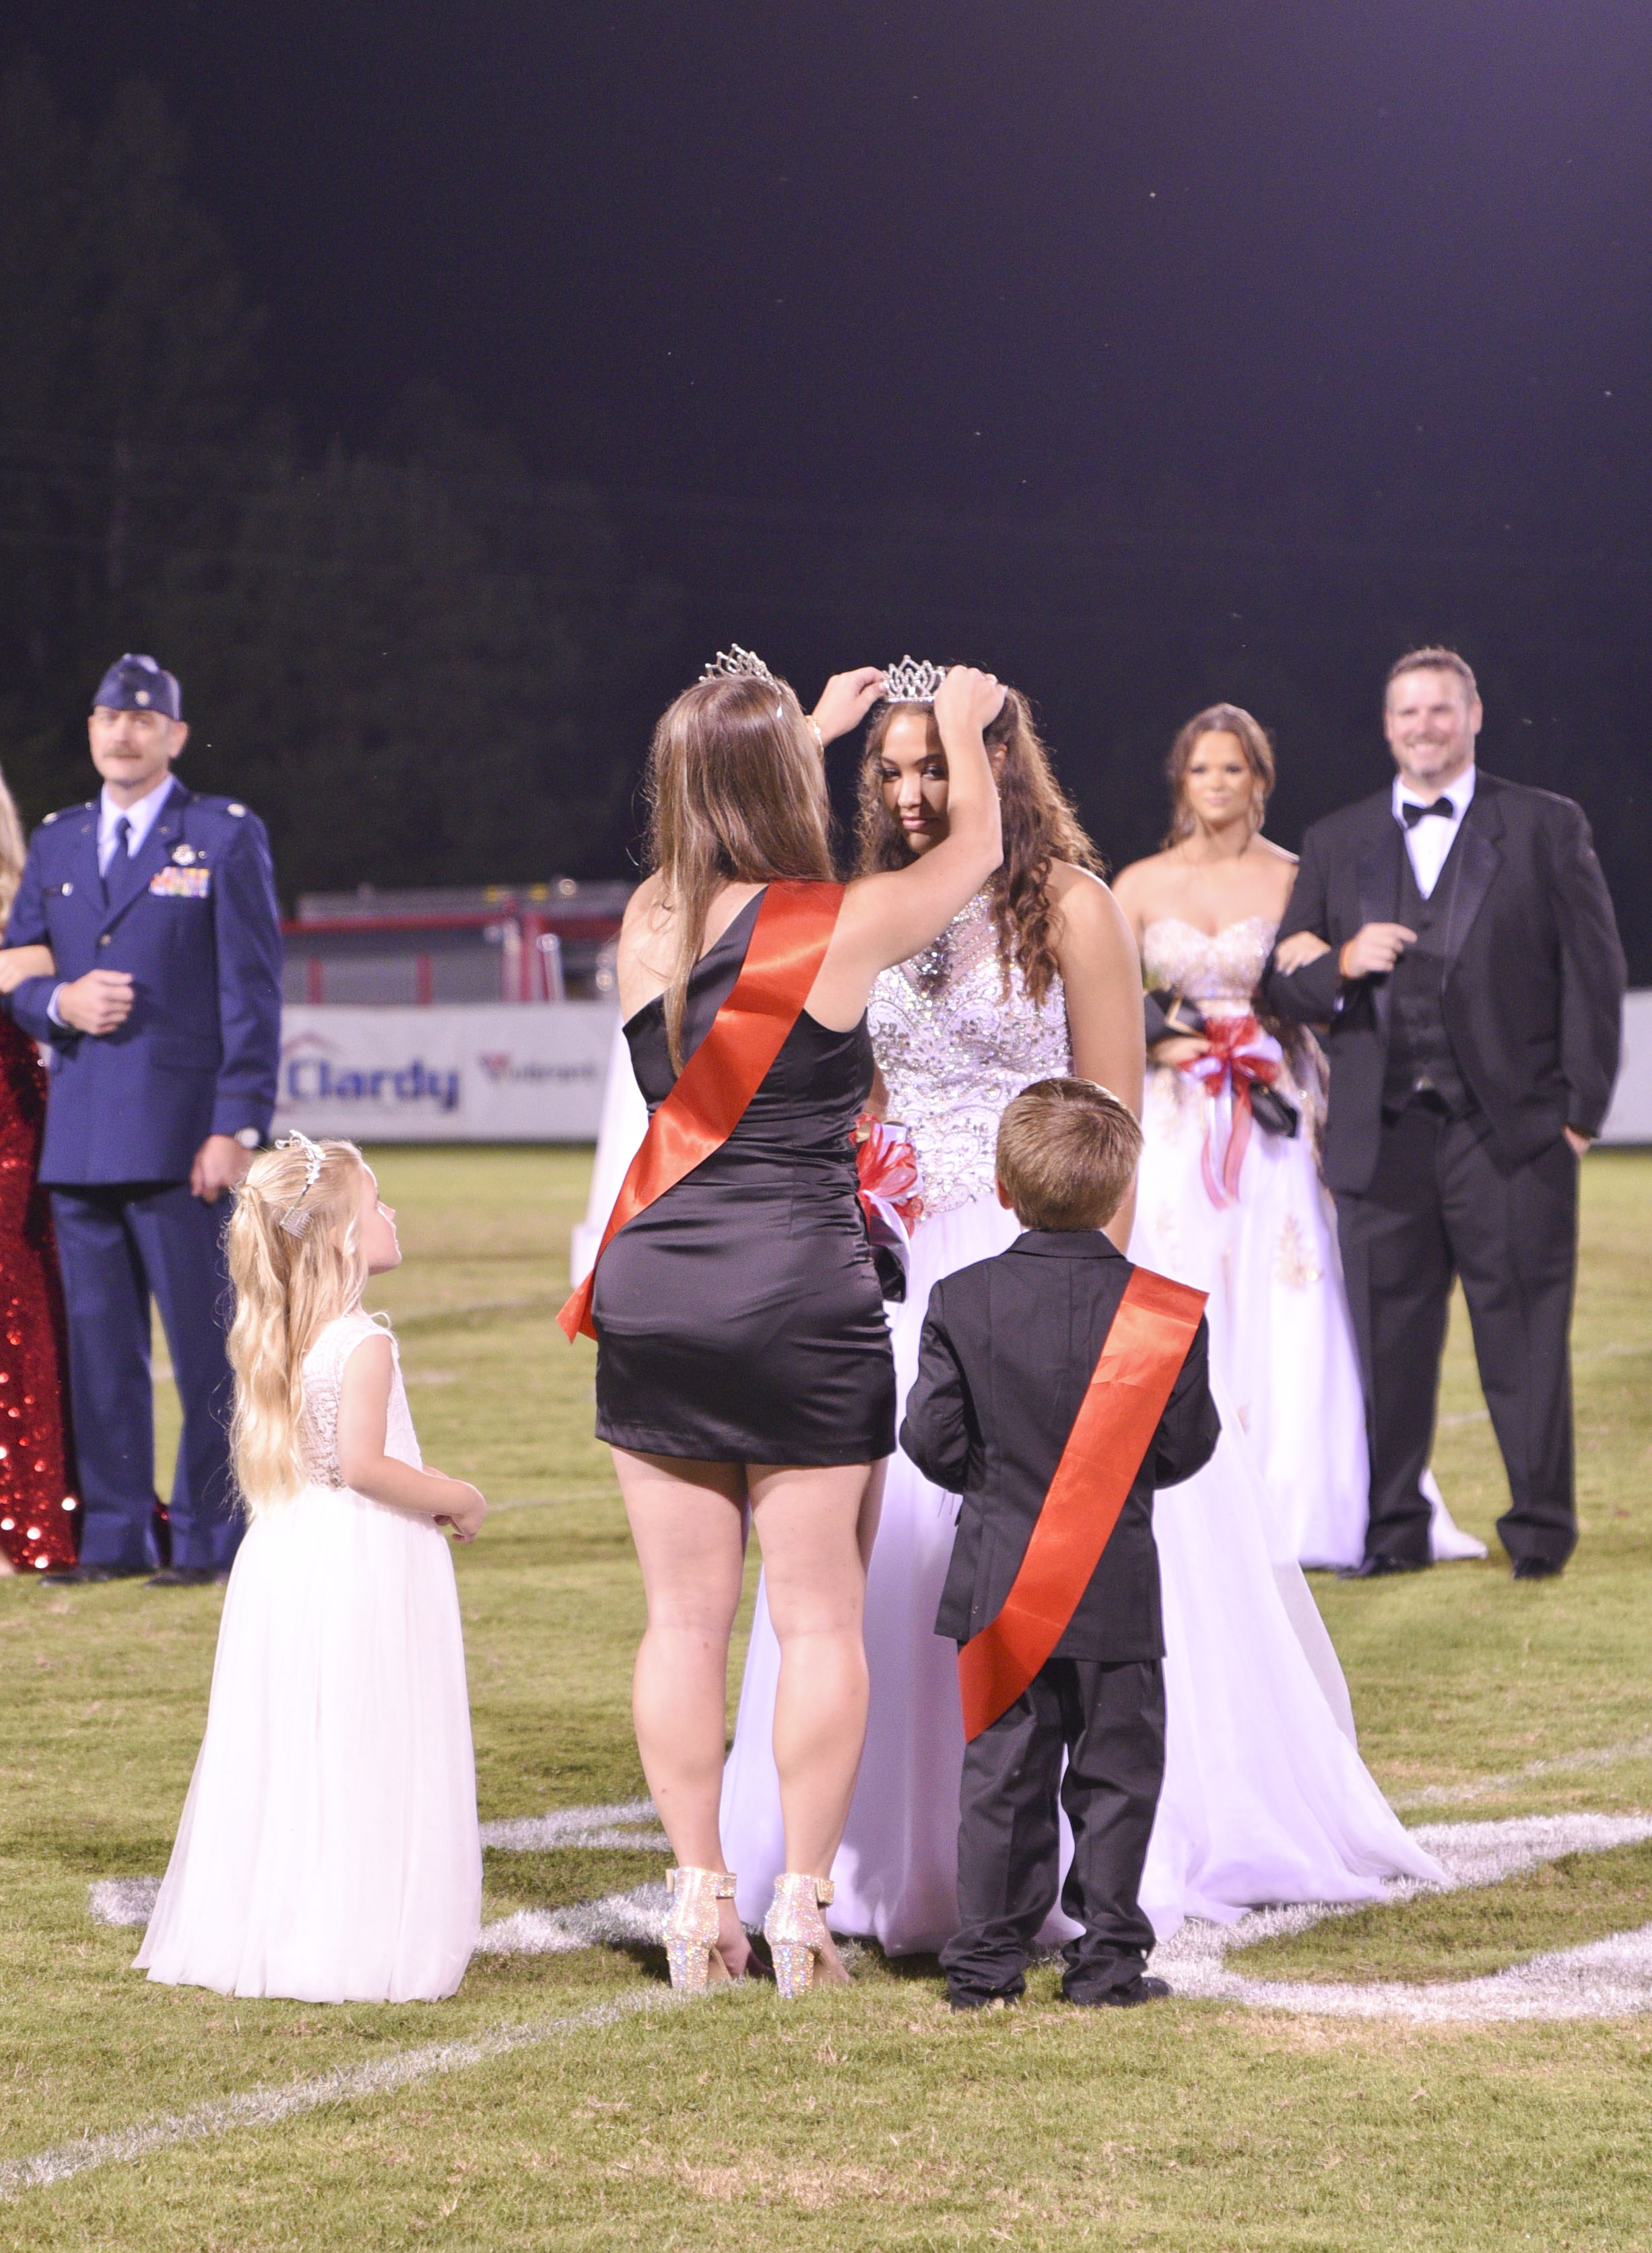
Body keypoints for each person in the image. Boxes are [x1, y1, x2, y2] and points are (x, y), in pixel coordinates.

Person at [720, 661, 1445, 1955]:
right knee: (874, 1567)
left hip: (1037, 1252)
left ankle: (1079, 1857)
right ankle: (877, 1850)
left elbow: (1109, 1118)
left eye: (933, 763)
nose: (908, 793)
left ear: (996, 762)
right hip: (890, 1273)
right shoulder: (870, 912)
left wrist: (1081, 1319)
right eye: (886, 772)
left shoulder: (1072, 907)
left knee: (1050, 1552)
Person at [581, 647, 1003, 1996]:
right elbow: (970, 859)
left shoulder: (646, 916)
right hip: (800, 1296)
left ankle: (696, 1901)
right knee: (817, 1622)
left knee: (677, 1623)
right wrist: (967, 726)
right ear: (786, 781)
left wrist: (792, 733)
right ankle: (801, 1910)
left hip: (656, 1288)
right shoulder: (841, 921)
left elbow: (725, 862)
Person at [1265, 648, 1626, 1580]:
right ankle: (1391, 1534)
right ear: (1386, 727)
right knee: (1386, 1349)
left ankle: (1540, 1532)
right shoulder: (1337, 839)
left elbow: (1594, 977)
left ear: (1472, 717)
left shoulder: (1545, 825)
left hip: (1510, 1138)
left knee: (1524, 1338)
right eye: (1405, 713)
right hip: (1379, 1139)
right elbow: (1281, 981)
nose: (1422, 726)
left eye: (1439, 710)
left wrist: (1577, 1116)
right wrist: (1340, 959)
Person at [1111, 705, 1482, 1571]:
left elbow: (1326, 982)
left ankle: (1304, 1498)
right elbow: (1103, 990)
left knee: (1293, 1286)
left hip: (1275, 1108)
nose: (1215, 785)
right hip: (1174, 1115)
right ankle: (1181, 1497)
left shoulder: (1293, 876)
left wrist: (1269, 1036)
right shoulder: (1137, 885)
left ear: (1259, 781)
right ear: (1181, 781)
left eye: (1231, 769)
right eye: (1200, 769)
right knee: (1179, 1280)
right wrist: (1167, 1039)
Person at [136, 1135, 485, 2002]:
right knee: (362, 1734)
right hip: (360, 1554)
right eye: (377, 1204)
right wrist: (456, 1492)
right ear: (339, 1237)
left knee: (301, 1738)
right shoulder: (361, 1342)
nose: (392, 1214)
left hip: (292, 1549)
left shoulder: (283, 1336)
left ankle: (287, 1916)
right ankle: (352, 1932)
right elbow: (363, 1465)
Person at [905, 1080, 1220, 2011]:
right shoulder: (1166, 1309)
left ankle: (986, 1968)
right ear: (1121, 1191)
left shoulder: (961, 1299)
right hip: (1118, 1587)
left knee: (1001, 1780)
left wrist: (1002, 1491)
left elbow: (928, 1440)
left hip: (1000, 1584)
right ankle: (1109, 1963)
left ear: (1002, 1186)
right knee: (1119, 1778)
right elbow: (1185, 1446)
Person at [3, 655, 283, 1586]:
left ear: (175, 735)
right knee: (100, 1359)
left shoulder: (223, 835)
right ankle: (116, 1538)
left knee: (206, 1353)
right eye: (107, 717)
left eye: (142, 717)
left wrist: (235, 1127)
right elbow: (16, 971)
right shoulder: (58, 842)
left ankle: (207, 1540)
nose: (123, 731)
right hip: (79, 1140)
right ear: (90, 731)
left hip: (182, 1141)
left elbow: (253, 992)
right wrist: (60, 1001)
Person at [0, 771, 79, 1576]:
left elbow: (37, 992)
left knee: (20, 1331)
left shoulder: (20, 899)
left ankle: (28, 1520)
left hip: (9, 1143)